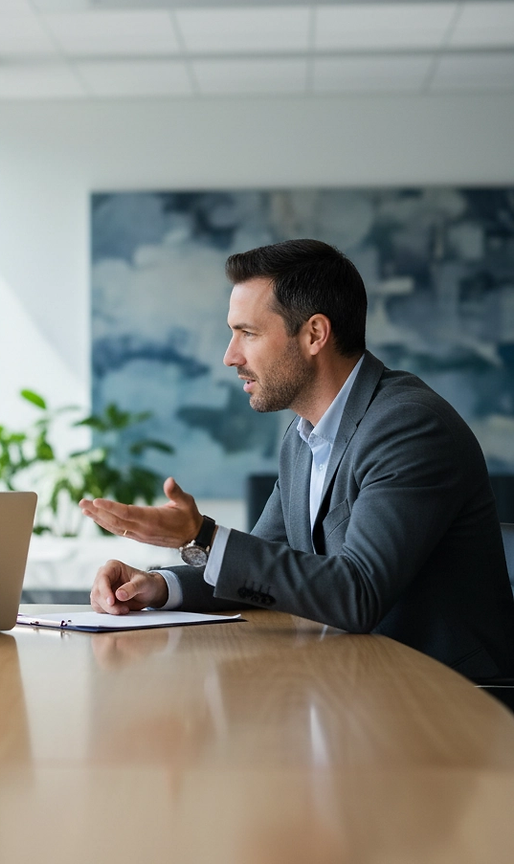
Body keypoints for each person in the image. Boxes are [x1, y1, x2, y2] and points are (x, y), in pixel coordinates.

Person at [82, 239, 514, 679]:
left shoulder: (409, 427)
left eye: (247, 333)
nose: (230, 356)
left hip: (447, 706)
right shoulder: (302, 437)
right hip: (357, 687)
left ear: (314, 334)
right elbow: (265, 567)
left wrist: (203, 536)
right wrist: (158, 586)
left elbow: (357, 594)